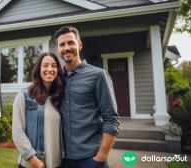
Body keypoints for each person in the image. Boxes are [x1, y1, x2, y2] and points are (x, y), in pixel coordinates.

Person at [55, 26, 119, 168]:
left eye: (71, 42)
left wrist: (101, 157)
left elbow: (111, 118)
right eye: (62, 44)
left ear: (80, 45)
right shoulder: (57, 79)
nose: (66, 48)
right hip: (62, 159)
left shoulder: (98, 75)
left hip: (90, 159)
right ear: (57, 49)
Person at [12, 52, 65, 168]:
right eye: (45, 65)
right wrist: (34, 161)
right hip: (33, 165)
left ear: (58, 70)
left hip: (56, 164)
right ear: (38, 69)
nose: (50, 69)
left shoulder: (59, 98)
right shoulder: (25, 96)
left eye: (54, 65)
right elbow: (17, 132)